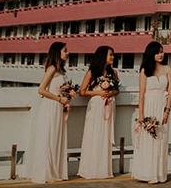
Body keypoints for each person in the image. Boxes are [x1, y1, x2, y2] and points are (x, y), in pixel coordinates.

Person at [131, 41, 171, 184]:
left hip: (162, 105)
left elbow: (170, 91)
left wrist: (167, 110)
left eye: (161, 51)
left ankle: (159, 173)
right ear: (151, 54)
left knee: (161, 138)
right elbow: (141, 94)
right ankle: (147, 172)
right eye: (157, 52)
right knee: (148, 139)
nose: (160, 55)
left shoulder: (168, 69)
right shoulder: (144, 70)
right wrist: (141, 115)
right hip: (149, 105)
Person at [30, 42, 70, 184]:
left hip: (59, 108)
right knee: (49, 138)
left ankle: (55, 171)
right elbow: (41, 90)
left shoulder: (62, 71)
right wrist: (59, 98)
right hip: (51, 106)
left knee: (56, 138)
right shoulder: (52, 68)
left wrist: (68, 95)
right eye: (65, 51)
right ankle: (47, 173)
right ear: (57, 52)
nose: (67, 53)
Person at [77, 45, 119, 179]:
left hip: (109, 106)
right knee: (94, 135)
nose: (113, 57)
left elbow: (117, 90)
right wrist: (98, 92)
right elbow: (82, 91)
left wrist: (112, 92)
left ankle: (103, 169)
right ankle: (90, 169)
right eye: (110, 55)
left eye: (113, 55)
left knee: (105, 137)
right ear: (103, 56)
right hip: (96, 106)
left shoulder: (114, 73)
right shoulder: (92, 72)